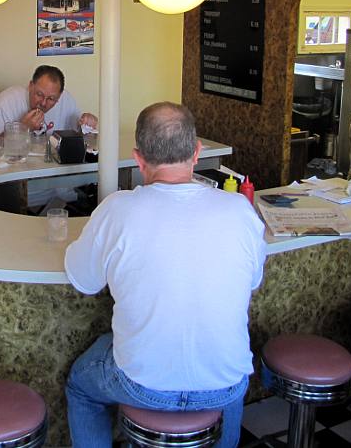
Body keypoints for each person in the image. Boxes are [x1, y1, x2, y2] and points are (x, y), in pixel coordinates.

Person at [64, 102, 267, 448]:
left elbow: (84, 280)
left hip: (142, 385)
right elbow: (252, 281)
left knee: (81, 388)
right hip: (224, 384)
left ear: (138, 159)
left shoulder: (117, 210)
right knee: (229, 383)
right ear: (197, 152)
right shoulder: (240, 211)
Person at [0, 65, 98, 137]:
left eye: (51, 99)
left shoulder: (67, 101)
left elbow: (80, 137)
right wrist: (22, 129)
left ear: (59, 96)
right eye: (39, 94)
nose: (43, 103)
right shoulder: (7, 101)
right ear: (31, 86)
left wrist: (88, 126)